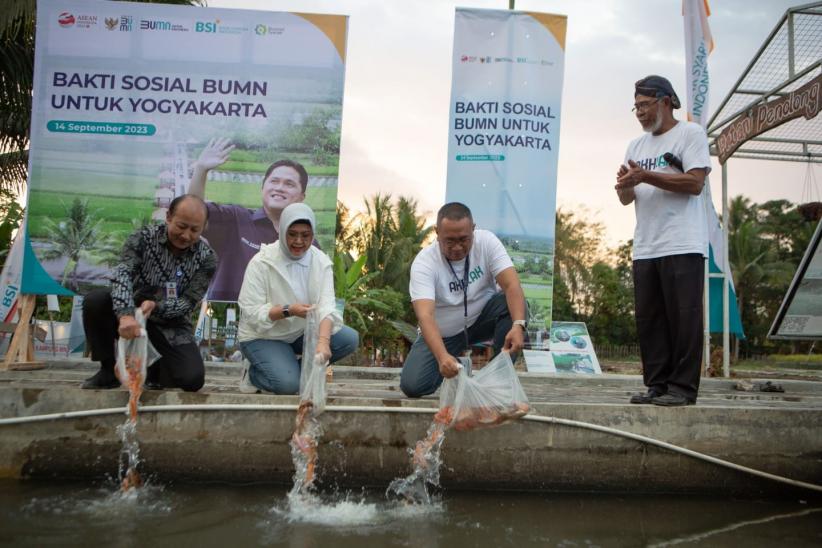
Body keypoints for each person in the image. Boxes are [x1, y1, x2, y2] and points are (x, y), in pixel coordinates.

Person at [615, 75, 712, 407]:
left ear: (666, 101)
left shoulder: (690, 134)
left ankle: (682, 389)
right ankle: (657, 385)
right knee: (650, 320)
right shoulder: (635, 146)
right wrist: (625, 185)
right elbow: (627, 199)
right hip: (646, 245)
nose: (640, 113)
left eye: (645, 105)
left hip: (683, 242)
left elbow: (695, 183)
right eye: (636, 107)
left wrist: (646, 175)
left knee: (684, 318)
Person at [81, 195, 217, 391]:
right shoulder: (142, 238)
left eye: (194, 230)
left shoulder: (207, 258)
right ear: (168, 217)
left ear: (204, 227)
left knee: (192, 379)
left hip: (171, 323)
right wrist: (125, 315)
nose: (186, 236)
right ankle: (108, 370)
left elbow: (188, 302)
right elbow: (122, 273)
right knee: (96, 301)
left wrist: (157, 306)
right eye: (181, 226)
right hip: (133, 313)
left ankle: (154, 371)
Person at [400, 202, 527, 398]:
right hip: (444, 334)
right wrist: (442, 356)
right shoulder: (424, 263)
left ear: (473, 230)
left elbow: (512, 285)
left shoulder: (487, 243)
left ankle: (497, 380)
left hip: (481, 320)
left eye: (464, 239)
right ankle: (458, 365)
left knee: (514, 307)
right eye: (449, 241)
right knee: (412, 386)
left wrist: (518, 325)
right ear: (437, 233)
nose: (457, 247)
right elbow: (425, 316)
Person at [236, 203, 358, 394]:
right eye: (292, 234)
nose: (299, 241)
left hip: (300, 332)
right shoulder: (261, 262)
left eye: (305, 235)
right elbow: (252, 313)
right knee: (287, 385)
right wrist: (289, 310)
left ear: (312, 234)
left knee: (349, 339)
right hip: (263, 335)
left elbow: (326, 307)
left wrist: (323, 342)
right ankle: (253, 374)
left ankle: (287, 369)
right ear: (282, 231)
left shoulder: (321, 262)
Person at [189, 138, 313, 301]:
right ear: (263, 187)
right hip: (226, 315)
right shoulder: (236, 219)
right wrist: (201, 170)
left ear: (302, 196)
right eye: (274, 181)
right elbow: (194, 213)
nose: (279, 188)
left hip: (278, 315)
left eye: (289, 184)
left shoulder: (306, 242)